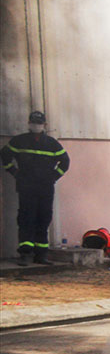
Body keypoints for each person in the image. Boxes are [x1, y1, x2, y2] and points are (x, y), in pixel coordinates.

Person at [0, 111, 71, 266]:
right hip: (26, 187)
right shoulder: (20, 141)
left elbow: (65, 161)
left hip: (45, 188)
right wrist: (14, 172)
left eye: (38, 123)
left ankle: (41, 254)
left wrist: (53, 176)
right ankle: (25, 254)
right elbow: (5, 154)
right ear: (29, 124)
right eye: (33, 123)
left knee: (43, 219)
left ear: (44, 125)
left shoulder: (51, 143)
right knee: (26, 219)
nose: (36, 126)